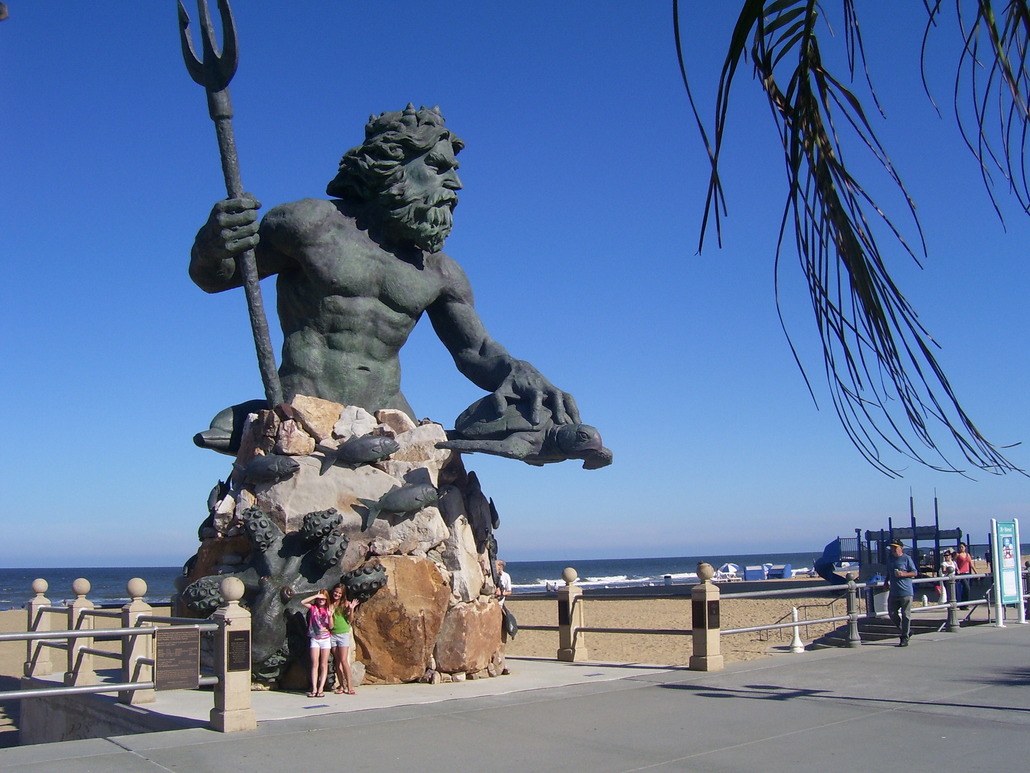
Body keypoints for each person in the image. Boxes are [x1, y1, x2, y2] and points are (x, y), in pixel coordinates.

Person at [190, 105, 578, 429]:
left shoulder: (440, 272)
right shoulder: (310, 224)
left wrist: (519, 370)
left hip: (388, 415)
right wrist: (213, 245)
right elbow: (219, 278)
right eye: (440, 168)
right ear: (394, 166)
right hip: (305, 409)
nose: (456, 184)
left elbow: (475, 351)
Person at [301, 589, 332, 697]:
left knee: (324, 664)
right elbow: (303, 602)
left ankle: (321, 688)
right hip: (315, 638)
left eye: (323, 598)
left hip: (325, 639)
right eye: (319, 599)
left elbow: (331, 626)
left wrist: (330, 616)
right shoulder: (313, 608)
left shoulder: (329, 609)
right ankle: (314, 688)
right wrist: (315, 596)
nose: (321, 600)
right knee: (314, 664)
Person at [887, 540, 918, 647]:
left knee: (906, 615)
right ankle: (906, 631)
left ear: (901, 548)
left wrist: (903, 574)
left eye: (895, 548)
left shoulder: (906, 559)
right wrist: (886, 581)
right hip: (894, 591)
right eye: (892, 548)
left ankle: (904, 637)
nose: (893, 550)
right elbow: (889, 571)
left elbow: (914, 572)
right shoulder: (890, 559)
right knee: (892, 613)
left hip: (906, 591)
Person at [329, 583, 358, 695]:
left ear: (343, 594)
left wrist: (351, 609)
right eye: (336, 592)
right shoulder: (330, 604)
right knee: (337, 661)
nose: (337, 594)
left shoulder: (345, 604)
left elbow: (350, 620)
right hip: (333, 634)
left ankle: (350, 686)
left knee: (344, 660)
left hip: (342, 634)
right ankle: (341, 685)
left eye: (339, 593)